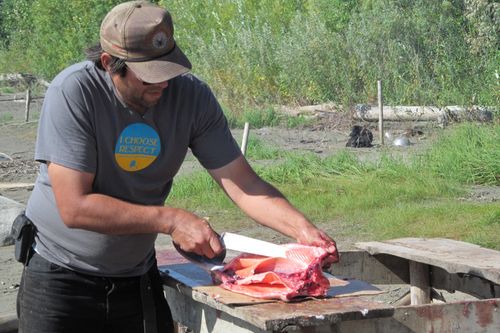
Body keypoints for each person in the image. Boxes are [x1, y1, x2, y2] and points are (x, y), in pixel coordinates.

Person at [17, 1, 338, 332]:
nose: (163, 83)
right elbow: (74, 207)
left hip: (135, 276)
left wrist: (302, 230)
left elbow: (244, 185)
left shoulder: (192, 97)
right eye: (149, 75)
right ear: (109, 64)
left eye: (168, 69)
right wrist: (171, 219)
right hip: (60, 278)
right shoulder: (74, 92)